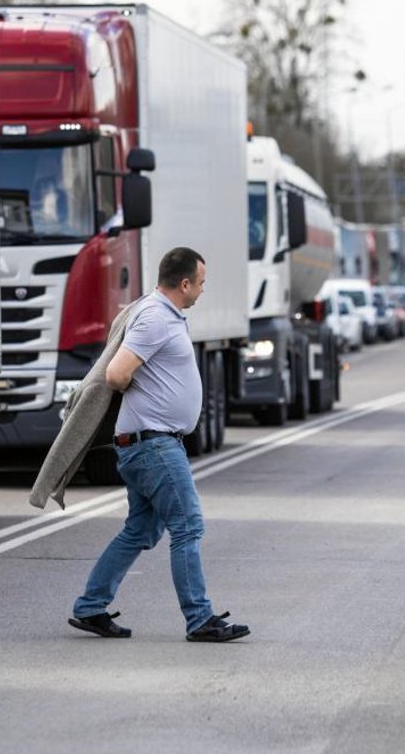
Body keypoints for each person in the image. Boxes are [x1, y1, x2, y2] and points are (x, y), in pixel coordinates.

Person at [68, 247, 250, 643]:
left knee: (140, 531)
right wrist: (148, 395)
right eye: (201, 283)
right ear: (184, 284)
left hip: (149, 442)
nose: (203, 290)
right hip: (153, 444)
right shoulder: (154, 318)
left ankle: (90, 607)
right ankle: (200, 619)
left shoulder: (164, 314)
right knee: (187, 526)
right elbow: (117, 374)